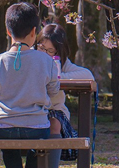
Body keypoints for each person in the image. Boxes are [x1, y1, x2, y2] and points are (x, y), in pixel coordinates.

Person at [0, 2, 59, 168]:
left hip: (5, 125)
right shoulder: (46, 61)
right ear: (34, 31)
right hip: (37, 125)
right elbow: (53, 91)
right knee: (37, 150)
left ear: (7, 31)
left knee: (10, 155)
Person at [36, 24, 94, 168]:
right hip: (32, 110)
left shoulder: (61, 63)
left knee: (54, 123)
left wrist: (56, 77)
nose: (44, 53)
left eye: (50, 51)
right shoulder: (30, 58)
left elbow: (88, 75)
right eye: (41, 48)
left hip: (55, 112)